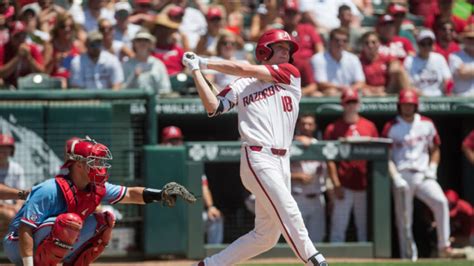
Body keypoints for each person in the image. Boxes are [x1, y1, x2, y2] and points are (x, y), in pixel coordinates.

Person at [182, 28, 328, 266]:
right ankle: (316, 261)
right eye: (280, 47)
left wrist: (205, 61)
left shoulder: (290, 73)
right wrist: (197, 71)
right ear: (265, 50)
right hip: (257, 156)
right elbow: (213, 107)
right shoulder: (242, 85)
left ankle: (210, 264)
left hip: (283, 160)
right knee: (289, 209)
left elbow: (243, 67)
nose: (285, 52)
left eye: (288, 48)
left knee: (266, 236)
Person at [3, 136, 196, 266]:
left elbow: (130, 194)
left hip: (49, 234)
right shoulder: (50, 189)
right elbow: (25, 229)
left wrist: (160, 193)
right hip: (17, 244)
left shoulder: (96, 187)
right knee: (70, 222)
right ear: (78, 164)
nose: (100, 166)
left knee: (104, 221)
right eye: (94, 162)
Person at [382, 89, 454, 260]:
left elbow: (435, 148)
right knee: (404, 219)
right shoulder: (392, 126)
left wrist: (432, 169)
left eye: (410, 104)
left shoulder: (427, 123)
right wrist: (395, 176)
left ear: (416, 105)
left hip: (423, 174)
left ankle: (444, 245)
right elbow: (386, 155)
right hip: (402, 174)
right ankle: (409, 256)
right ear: (400, 106)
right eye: (405, 104)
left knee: (441, 202)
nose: (408, 107)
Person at [323, 88, 378, 243]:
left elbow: (378, 154)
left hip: (363, 184)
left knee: (362, 226)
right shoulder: (333, 128)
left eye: (354, 102)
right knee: (338, 226)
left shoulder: (369, 126)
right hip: (343, 185)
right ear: (343, 104)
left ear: (358, 104)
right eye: (348, 102)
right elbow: (329, 159)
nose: (351, 106)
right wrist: (336, 184)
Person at [160, 126, 224, 244]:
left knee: (215, 218)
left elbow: (204, 187)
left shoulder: (189, 162)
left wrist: (210, 207)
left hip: (191, 215)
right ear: (163, 144)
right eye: (171, 141)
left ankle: (215, 258)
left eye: (177, 141)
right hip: (167, 216)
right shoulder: (158, 164)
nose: (175, 144)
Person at [291, 114, 327, 242]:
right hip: (297, 197)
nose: (306, 127)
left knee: (317, 239)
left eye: (310, 124)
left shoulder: (319, 145)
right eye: (303, 124)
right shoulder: (290, 144)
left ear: (315, 126)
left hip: (317, 197)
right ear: (298, 126)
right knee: (297, 241)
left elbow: (326, 170)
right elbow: (277, 172)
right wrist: (297, 176)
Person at [310, 28, 365, 96]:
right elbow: (320, 83)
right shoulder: (318, 58)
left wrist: (349, 90)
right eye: (337, 40)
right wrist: (343, 89)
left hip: (349, 94)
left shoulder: (353, 58)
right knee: (329, 92)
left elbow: (361, 82)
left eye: (344, 41)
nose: (340, 43)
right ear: (330, 41)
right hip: (327, 94)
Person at [403, 29, 452, 96]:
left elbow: (448, 79)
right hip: (419, 98)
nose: (426, 46)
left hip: (439, 99)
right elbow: (407, 84)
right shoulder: (410, 60)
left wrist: (448, 90)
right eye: (423, 44)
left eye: (429, 43)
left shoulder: (439, 58)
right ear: (417, 44)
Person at [123, 30, 171, 95]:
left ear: (151, 44)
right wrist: (134, 77)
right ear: (134, 44)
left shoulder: (158, 64)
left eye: (146, 40)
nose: (142, 43)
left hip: (155, 102)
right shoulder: (126, 64)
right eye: (139, 40)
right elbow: (123, 90)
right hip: (133, 102)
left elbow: (166, 88)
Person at [0, 21, 44, 88]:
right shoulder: (3, 49)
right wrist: (17, 57)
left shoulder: (33, 49)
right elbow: (1, 74)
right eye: (17, 36)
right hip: (8, 85)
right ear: (11, 37)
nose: (21, 39)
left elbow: (41, 72)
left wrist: (29, 57)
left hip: (30, 85)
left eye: (23, 35)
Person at [0, 134, 27, 236]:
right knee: (9, 215)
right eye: (1, 148)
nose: (4, 151)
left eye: (7, 148)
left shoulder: (17, 168)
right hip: (5, 208)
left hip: (12, 207)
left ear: (11, 151)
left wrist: (17, 206)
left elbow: (21, 193)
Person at [449, 25, 474, 96]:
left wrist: (469, 71)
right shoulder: (455, 56)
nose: (472, 41)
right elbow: (463, 74)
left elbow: (467, 72)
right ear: (464, 40)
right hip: (462, 99)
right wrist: (466, 72)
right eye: (469, 38)